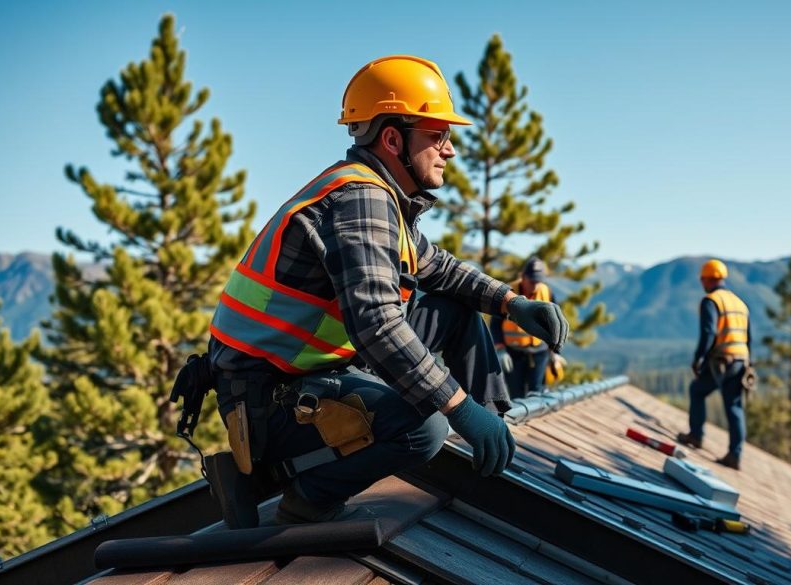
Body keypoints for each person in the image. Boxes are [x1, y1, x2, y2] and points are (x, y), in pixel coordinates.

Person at [201, 55, 569, 529]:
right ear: (394, 138)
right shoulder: (362, 198)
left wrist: (511, 303)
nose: (449, 149)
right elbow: (376, 322)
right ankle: (305, 497)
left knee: (455, 312)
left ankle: (496, 437)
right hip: (266, 401)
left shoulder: (382, 197)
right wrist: (459, 409)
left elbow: (440, 269)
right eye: (438, 134)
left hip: (304, 371)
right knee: (425, 426)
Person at [677, 259, 751, 470]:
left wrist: (698, 358)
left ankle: (696, 436)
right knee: (735, 407)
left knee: (697, 390)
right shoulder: (740, 303)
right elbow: (749, 338)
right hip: (740, 360)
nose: (702, 283)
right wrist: (749, 362)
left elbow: (709, 332)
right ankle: (735, 455)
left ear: (708, 279)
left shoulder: (711, 301)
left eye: (702, 279)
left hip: (722, 361)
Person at [491, 258, 563, 398]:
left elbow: (555, 324)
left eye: (538, 281)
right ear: (523, 276)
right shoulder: (508, 293)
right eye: (532, 281)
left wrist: (555, 352)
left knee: (536, 393)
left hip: (539, 353)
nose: (535, 285)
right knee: (516, 394)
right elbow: (495, 324)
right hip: (513, 353)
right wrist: (500, 349)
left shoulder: (547, 293)